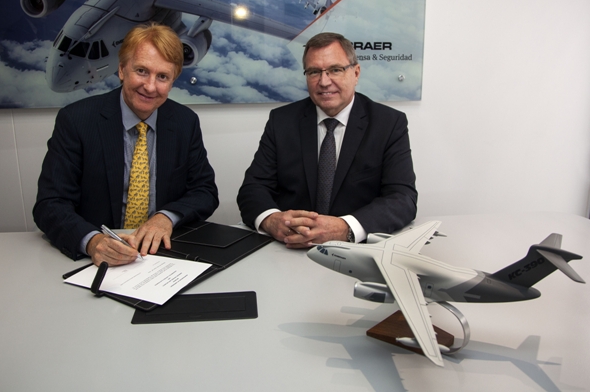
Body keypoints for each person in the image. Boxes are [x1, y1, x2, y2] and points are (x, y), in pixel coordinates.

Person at [34, 23, 218, 266]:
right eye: (141, 71)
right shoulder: (77, 120)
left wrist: (165, 218)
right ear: (121, 70)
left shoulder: (185, 122)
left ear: (173, 81)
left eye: (162, 77)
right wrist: (93, 242)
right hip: (94, 260)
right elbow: (50, 204)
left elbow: (204, 191)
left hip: (161, 258)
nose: (150, 86)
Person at [237, 32, 417, 248]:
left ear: (356, 73)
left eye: (335, 70)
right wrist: (271, 220)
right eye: (314, 72)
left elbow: (402, 198)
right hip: (289, 248)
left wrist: (346, 228)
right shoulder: (282, 121)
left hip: (355, 250)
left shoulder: (388, 123)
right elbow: (253, 188)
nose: (324, 82)